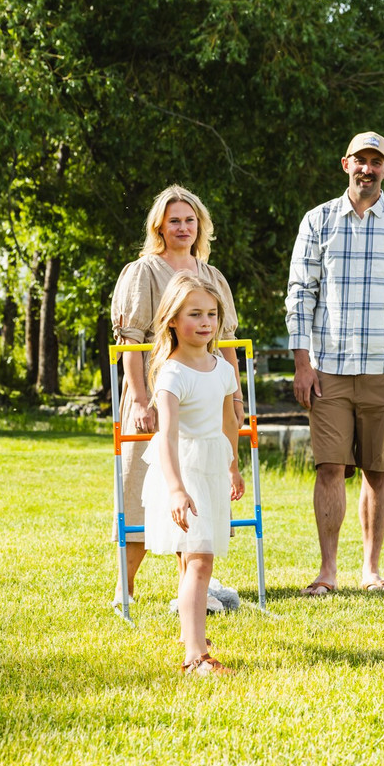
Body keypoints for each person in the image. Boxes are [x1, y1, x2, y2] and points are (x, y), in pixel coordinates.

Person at [285, 131, 384, 596]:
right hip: (327, 369)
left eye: (376, 161)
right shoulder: (318, 220)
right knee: (329, 468)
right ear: (345, 163)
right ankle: (327, 572)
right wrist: (302, 362)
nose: (367, 168)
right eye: (360, 160)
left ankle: (371, 571)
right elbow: (300, 293)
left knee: (378, 470)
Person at [110, 185, 243, 608]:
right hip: (157, 392)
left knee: (201, 481)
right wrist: (140, 398)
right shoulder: (142, 272)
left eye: (190, 220)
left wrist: (235, 398)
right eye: (174, 221)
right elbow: (131, 342)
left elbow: (226, 342)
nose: (183, 227)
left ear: (200, 226)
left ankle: (193, 589)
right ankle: (125, 587)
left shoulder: (212, 276)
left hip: (205, 395)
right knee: (142, 489)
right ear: (160, 227)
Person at [142, 273, 244, 675]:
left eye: (212, 314)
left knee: (197, 561)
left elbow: (228, 423)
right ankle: (195, 658)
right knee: (199, 560)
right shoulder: (172, 373)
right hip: (184, 472)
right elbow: (166, 437)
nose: (205, 322)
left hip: (212, 469)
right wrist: (176, 489)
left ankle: (193, 635)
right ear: (172, 320)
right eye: (195, 314)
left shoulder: (223, 369)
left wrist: (233, 467)